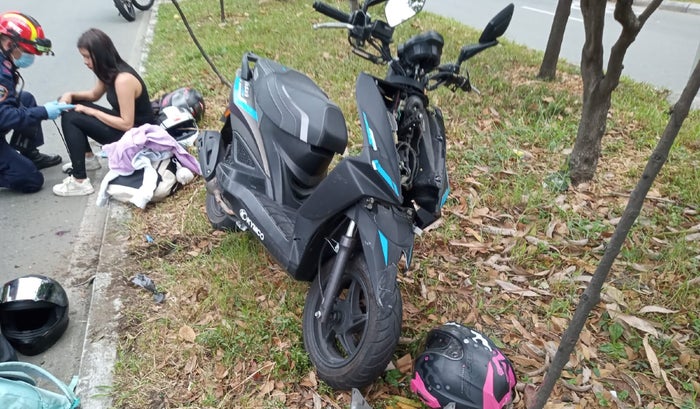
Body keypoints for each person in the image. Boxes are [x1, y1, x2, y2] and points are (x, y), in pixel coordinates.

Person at [54, 28, 155, 197]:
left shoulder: (123, 80)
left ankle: (80, 181)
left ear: (99, 55)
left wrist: (91, 111)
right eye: (83, 57)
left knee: (71, 116)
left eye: (87, 57)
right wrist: (69, 95)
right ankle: (88, 159)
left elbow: (127, 124)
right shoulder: (108, 71)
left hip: (138, 139)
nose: (85, 62)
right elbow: (94, 95)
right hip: (127, 130)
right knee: (71, 106)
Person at [0, 11, 70, 194]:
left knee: (26, 99)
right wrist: (44, 112)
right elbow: (4, 116)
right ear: (9, 44)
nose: (30, 57)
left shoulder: (4, 61)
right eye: (26, 52)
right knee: (31, 179)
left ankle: (29, 153)